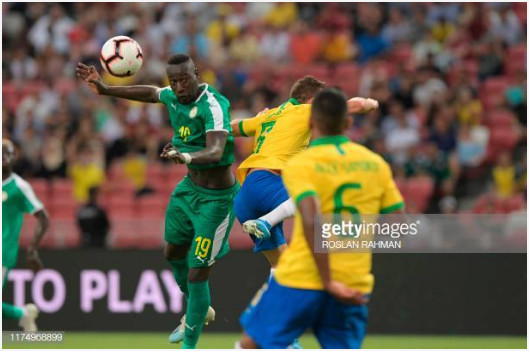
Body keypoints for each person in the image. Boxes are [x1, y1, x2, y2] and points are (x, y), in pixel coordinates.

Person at [76, 54, 238, 349]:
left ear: (196, 74)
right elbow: (151, 93)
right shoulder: (173, 96)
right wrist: (105, 89)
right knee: (172, 252)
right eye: (173, 81)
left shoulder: (213, 104)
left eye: (183, 79)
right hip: (189, 190)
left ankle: (190, 343)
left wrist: (185, 156)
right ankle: (198, 309)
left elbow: (215, 151)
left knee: (197, 269)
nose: (177, 87)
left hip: (216, 201)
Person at [238, 89, 404, 348]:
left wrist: (327, 280)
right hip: (351, 280)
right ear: (347, 123)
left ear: (311, 122)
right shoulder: (376, 164)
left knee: (251, 343)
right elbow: (399, 225)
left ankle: (267, 221)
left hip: (302, 276)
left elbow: (311, 221)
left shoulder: (301, 165)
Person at [231, 77, 378, 269]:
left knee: (282, 266)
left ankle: (273, 296)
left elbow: (231, 127)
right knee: (316, 195)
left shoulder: (269, 116)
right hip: (268, 184)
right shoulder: (305, 111)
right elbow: (352, 105)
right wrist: (370, 103)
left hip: (246, 196)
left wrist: (257, 118)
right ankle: (266, 221)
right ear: (311, 100)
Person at [2, 139, 49, 331]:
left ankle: (22, 314)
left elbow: (43, 218)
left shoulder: (19, 186)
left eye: (7, 153)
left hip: (3, 252)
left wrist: (32, 250)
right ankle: (22, 314)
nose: (3, 157)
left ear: (14, 157)